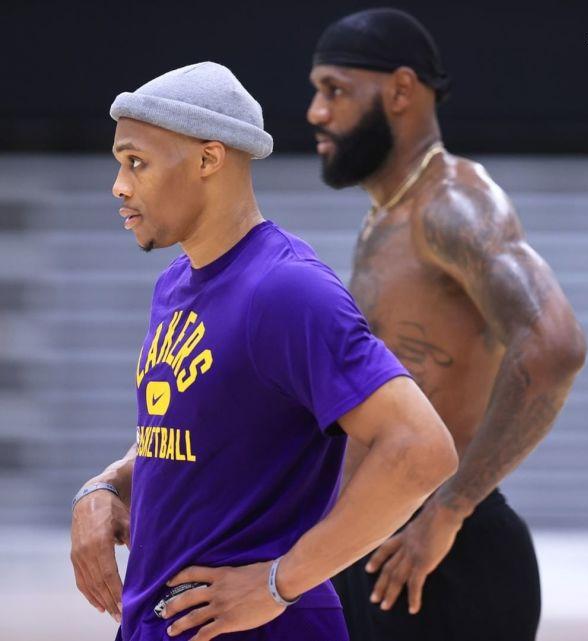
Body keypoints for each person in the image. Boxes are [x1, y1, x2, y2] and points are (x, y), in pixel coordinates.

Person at [69, 61, 459, 641]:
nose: (119, 186)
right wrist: (104, 488)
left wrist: (279, 583)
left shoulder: (286, 290)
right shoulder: (175, 284)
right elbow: (191, 433)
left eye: (136, 162)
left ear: (208, 159)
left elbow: (422, 450)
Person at [307, 8, 587, 641]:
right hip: (381, 548)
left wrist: (451, 508)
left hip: (441, 563)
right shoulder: (390, 213)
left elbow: (555, 346)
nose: (316, 112)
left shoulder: (453, 205)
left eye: (335, 90)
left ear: (401, 90)